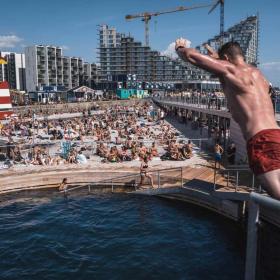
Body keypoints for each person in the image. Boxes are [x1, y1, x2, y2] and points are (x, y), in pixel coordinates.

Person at [175, 38, 280, 199]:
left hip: (261, 140)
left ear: (226, 59)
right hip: (276, 134)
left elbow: (191, 56)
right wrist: (218, 59)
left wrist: (180, 48)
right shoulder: (260, 77)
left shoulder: (232, 70)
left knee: (276, 193)